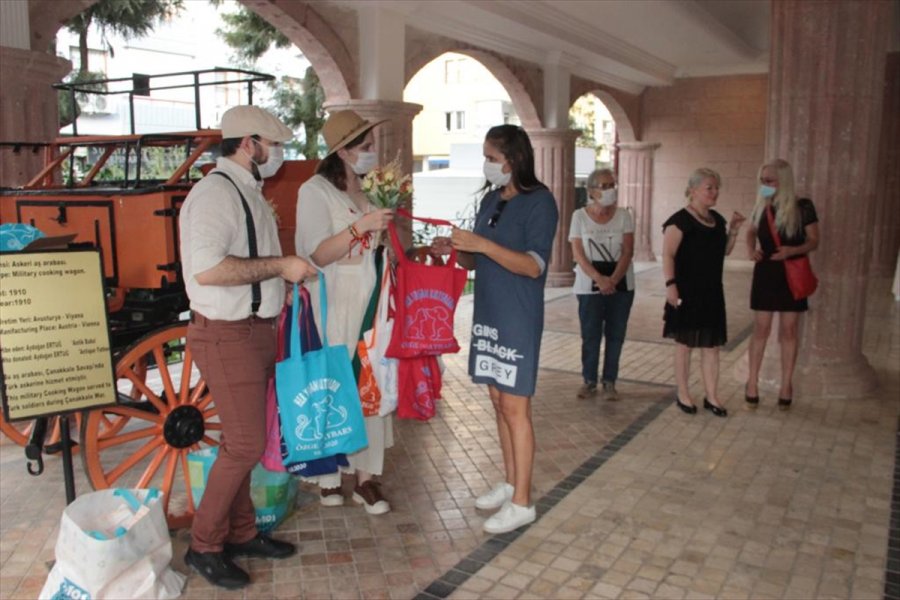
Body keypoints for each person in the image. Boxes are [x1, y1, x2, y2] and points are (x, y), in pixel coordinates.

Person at [180, 105, 317, 589]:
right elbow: (208, 269)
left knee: (240, 441)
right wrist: (280, 266)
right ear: (248, 143)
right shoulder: (215, 193)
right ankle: (204, 546)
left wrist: (279, 284)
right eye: (272, 144)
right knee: (244, 444)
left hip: (254, 331)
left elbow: (246, 260)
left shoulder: (246, 190)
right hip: (227, 334)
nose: (278, 154)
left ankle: (240, 533)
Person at [433, 125, 558, 534]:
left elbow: (534, 265)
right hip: (489, 312)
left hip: (517, 316)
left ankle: (522, 502)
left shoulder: (541, 202)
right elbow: (476, 261)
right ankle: (510, 482)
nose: (486, 164)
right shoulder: (491, 198)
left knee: (516, 407)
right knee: (498, 402)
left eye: (492, 157)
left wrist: (483, 245)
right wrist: (457, 250)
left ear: (514, 159)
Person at [294, 110, 395, 515]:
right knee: (335, 384)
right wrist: (361, 226)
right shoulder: (315, 191)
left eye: (372, 144)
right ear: (342, 151)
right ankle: (329, 476)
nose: (371, 151)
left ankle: (366, 478)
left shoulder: (371, 189)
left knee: (370, 382)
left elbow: (378, 247)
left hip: (371, 299)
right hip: (335, 300)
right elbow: (318, 253)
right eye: (364, 146)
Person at [662, 168, 745, 418]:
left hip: (711, 292)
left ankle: (711, 395)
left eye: (717, 187)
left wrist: (734, 230)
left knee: (711, 346)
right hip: (686, 291)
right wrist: (671, 285)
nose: (715, 192)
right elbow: (668, 255)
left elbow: (724, 251)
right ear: (693, 190)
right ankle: (683, 393)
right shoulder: (679, 221)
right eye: (709, 187)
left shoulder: (717, 220)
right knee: (685, 345)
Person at [744, 159, 819, 409]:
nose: (764, 184)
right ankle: (752, 382)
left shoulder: (803, 206)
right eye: (762, 180)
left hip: (791, 271)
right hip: (766, 271)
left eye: (770, 180)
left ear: (784, 181)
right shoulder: (761, 205)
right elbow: (750, 231)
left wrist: (791, 250)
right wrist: (750, 249)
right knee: (761, 329)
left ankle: (786, 385)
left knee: (789, 330)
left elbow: (814, 240)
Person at [569, 168, 635, 401]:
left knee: (616, 334)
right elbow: (578, 253)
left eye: (612, 185)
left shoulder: (624, 216)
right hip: (589, 283)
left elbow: (627, 251)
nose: (610, 190)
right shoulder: (579, 216)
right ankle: (589, 380)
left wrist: (613, 280)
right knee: (591, 334)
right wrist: (599, 279)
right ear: (591, 191)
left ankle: (609, 381)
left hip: (621, 283)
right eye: (604, 186)